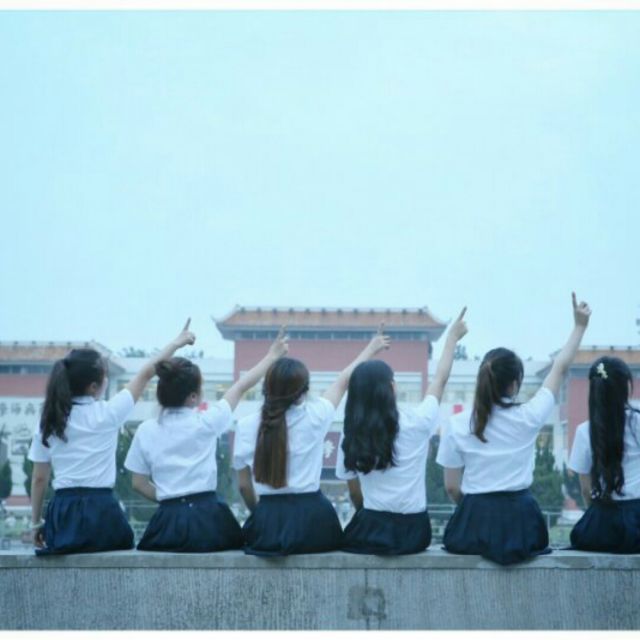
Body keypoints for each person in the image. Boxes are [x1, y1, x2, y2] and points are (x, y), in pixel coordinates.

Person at [437, 293, 591, 565]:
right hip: (521, 522)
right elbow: (560, 368)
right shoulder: (529, 416)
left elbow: (451, 487)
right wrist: (579, 326)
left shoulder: (459, 423)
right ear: (515, 383)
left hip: (474, 520)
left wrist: (474, 510)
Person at [28, 320, 196, 555]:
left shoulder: (49, 419)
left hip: (64, 514)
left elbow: (39, 479)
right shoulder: (108, 413)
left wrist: (36, 523)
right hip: (101, 512)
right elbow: (147, 373)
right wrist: (176, 343)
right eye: (105, 376)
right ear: (93, 386)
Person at [125, 329, 289, 552]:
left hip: (167, 522)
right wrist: (272, 355)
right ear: (193, 396)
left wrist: (169, 499)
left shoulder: (146, 430)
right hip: (208, 520)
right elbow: (241, 386)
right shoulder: (207, 422)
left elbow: (138, 483)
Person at [232, 329, 390, 556]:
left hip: (267, 523)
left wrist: (261, 514)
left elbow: (244, 486)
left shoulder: (246, 425)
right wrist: (371, 349)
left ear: (267, 388)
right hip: (314, 523)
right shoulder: (316, 416)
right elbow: (343, 380)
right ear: (303, 392)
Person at [335, 308, 468, 555]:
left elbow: (354, 493)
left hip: (372, 529)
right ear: (392, 387)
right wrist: (451, 338)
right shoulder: (418, 421)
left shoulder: (352, 432)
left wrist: (370, 349)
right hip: (415, 532)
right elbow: (439, 380)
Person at [568, 356, 640, 552]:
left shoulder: (585, 431)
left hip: (603, 522)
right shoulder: (637, 423)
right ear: (625, 387)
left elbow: (585, 490)